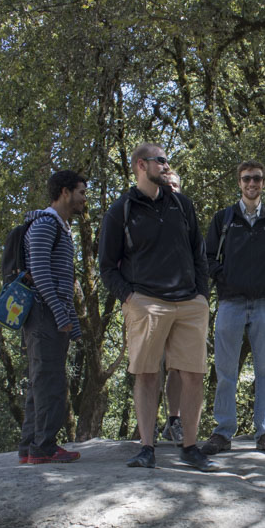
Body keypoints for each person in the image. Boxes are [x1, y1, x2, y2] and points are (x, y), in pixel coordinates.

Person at [98, 143, 217, 472]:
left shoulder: (182, 204)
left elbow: (199, 253)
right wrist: (130, 299)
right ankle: (147, 448)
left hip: (188, 303)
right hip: (146, 302)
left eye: (167, 162)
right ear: (141, 165)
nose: (167, 167)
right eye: (161, 161)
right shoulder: (120, 210)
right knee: (147, 375)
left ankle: (191, 448)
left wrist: (201, 296)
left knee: (194, 375)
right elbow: (106, 265)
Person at [200, 161, 265, 456]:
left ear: (263, 183)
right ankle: (222, 432)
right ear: (239, 182)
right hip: (230, 302)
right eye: (246, 179)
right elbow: (206, 258)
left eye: (257, 178)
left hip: (264, 304)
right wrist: (224, 277)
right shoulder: (223, 218)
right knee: (225, 370)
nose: (252, 183)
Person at [18, 170, 86, 465]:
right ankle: (43, 447)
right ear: (64, 192)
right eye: (81, 192)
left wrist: (73, 325)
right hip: (44, 314)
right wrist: (60, 314)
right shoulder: (46, 225)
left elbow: (63, 279)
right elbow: (42, 274)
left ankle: (29, 447)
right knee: (50, 382)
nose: (85, 199)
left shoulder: (58, 226)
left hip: (50, 314)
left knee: (40, 381)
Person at [158, 169, 184, 444]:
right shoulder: (141, 213)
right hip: (148, 302)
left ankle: (173, 422)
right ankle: (147, 425)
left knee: (178, 366)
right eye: (167, 185)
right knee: (149, 367)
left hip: (182, 302)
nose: (172, 189)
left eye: (175, 185)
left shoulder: (187, 217)